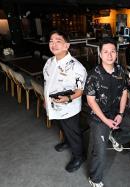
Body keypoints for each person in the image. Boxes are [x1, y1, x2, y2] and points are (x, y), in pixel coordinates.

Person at [84, 37, 130, 187]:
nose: (109, 55)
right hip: (98, 117)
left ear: (116, 53)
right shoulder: (93, 75)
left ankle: (115, 136)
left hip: (116, 112)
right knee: (101, 153)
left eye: (113, 51)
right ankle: (94, 178)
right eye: (106, 52)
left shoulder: (121, 70)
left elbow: (124, 92)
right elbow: (91, 101)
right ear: (100, 54)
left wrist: (121, 114)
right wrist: (106, 121)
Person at [43, 30, 87, 172]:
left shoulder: (77, 67)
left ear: (67, 45)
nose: (53, 44)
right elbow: (46, 83)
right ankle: (67, 142)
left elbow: (80, 90)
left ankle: (79, 156)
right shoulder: (49, 62)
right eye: (51, 41)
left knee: (73, 132)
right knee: (62, 127)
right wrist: (46, 100)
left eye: (58, 41)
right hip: (53, 105)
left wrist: (67, 98)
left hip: (69, 108)